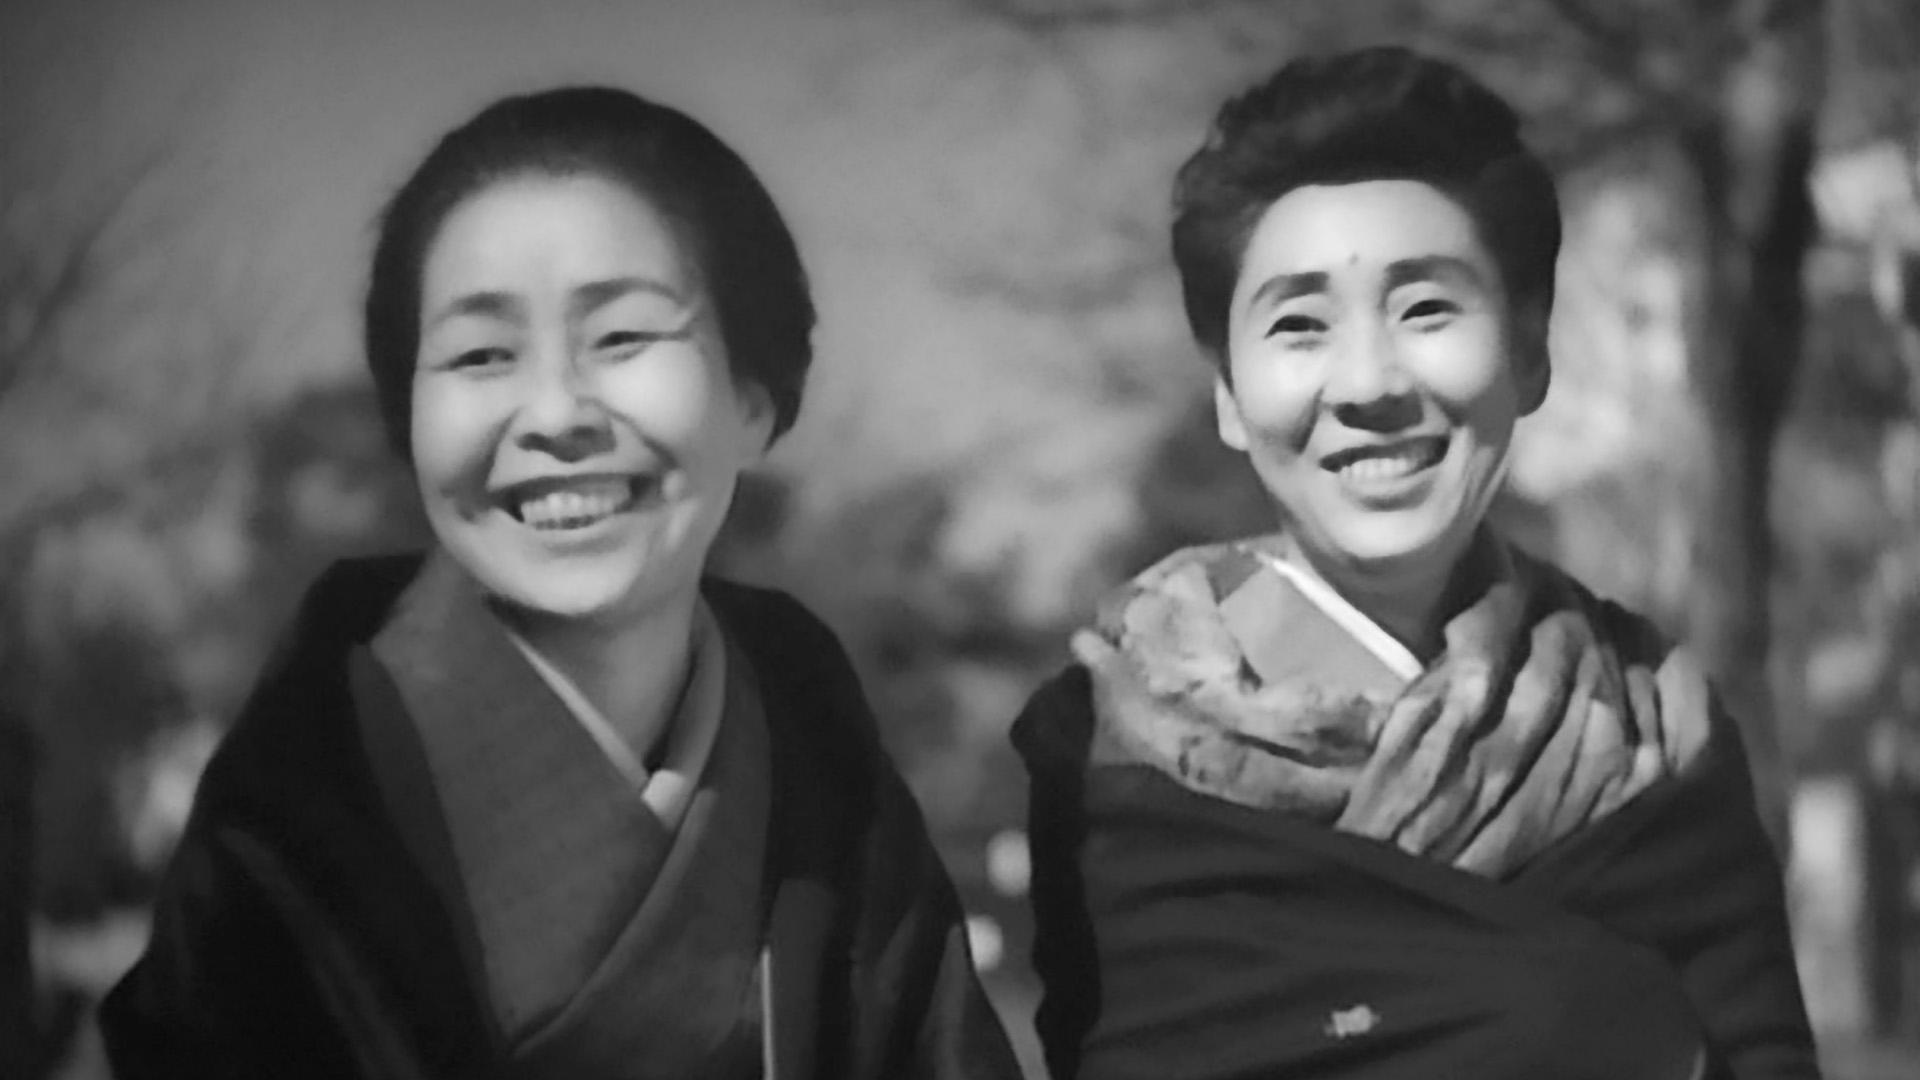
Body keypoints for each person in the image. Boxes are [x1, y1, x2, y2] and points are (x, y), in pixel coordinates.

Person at [99, 86, 1022, 1080]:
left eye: (622, 337)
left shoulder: (814, 738)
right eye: (479, 354)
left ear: (753, 399)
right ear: (410, 424)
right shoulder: (300, 808)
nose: (553, 412)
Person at [1013, 47, 1819, 1080]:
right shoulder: (1107, 756)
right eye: (1299, 326)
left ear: (1529, 354)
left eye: (1427, 309)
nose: (1369, 383)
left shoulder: (1654, 735)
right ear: (1228, 394)